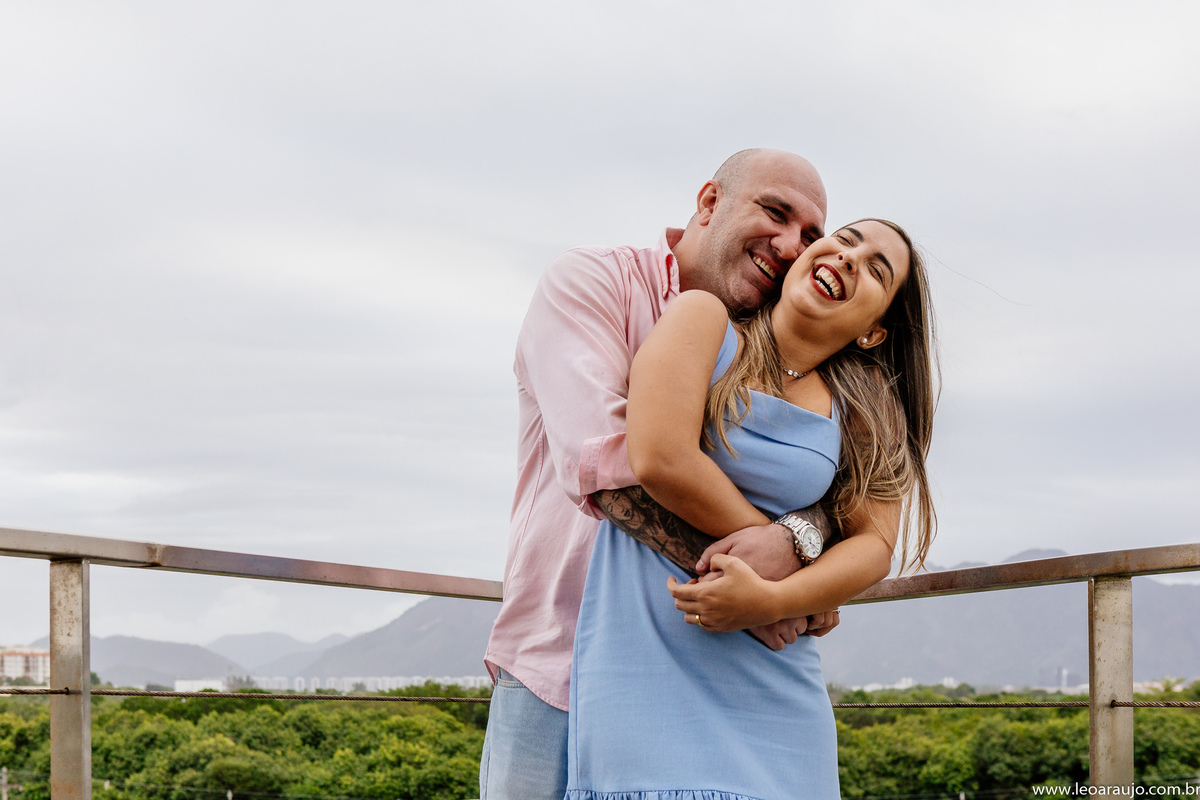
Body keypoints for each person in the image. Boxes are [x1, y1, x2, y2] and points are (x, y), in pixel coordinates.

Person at [480, 149, 842, 800]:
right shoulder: (590, 282)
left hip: (718, 685)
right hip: (557, 674)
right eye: (776, 212)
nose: (792, 246)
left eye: (811, 236)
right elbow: (610, 466)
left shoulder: (781, 352)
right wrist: (774, 592)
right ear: (709, 202)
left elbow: (822, 488)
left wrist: (798, 544)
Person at [566, 218, 937, 799]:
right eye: (845, 239)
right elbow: (659, 458)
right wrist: (787, 543)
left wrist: (772, 600)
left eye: (875, 269)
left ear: (873, 332)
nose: (848, 258)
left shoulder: (866, 407)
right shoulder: (702, 320)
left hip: (778, 691)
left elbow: (875, 545)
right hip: (645, 670)